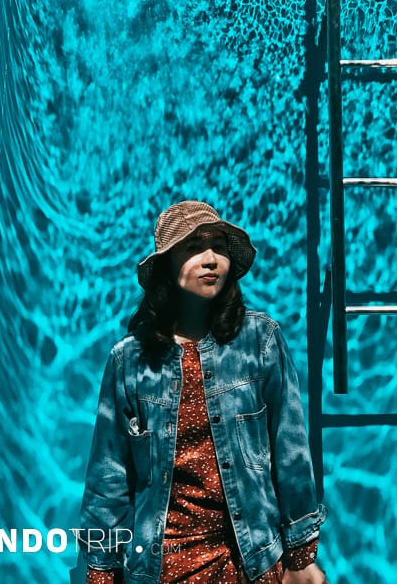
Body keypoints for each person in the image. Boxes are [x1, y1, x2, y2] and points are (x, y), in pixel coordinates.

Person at [76, 201, 327, 584]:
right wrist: (100, 571)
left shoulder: (261, 341)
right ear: (166, 266)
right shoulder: (129, 361)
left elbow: (290, 452)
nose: (210, 259)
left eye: (219, 247)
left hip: (252, 563)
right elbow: (108, 477)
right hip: (161, 569)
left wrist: (301, 555)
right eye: (193, 247)